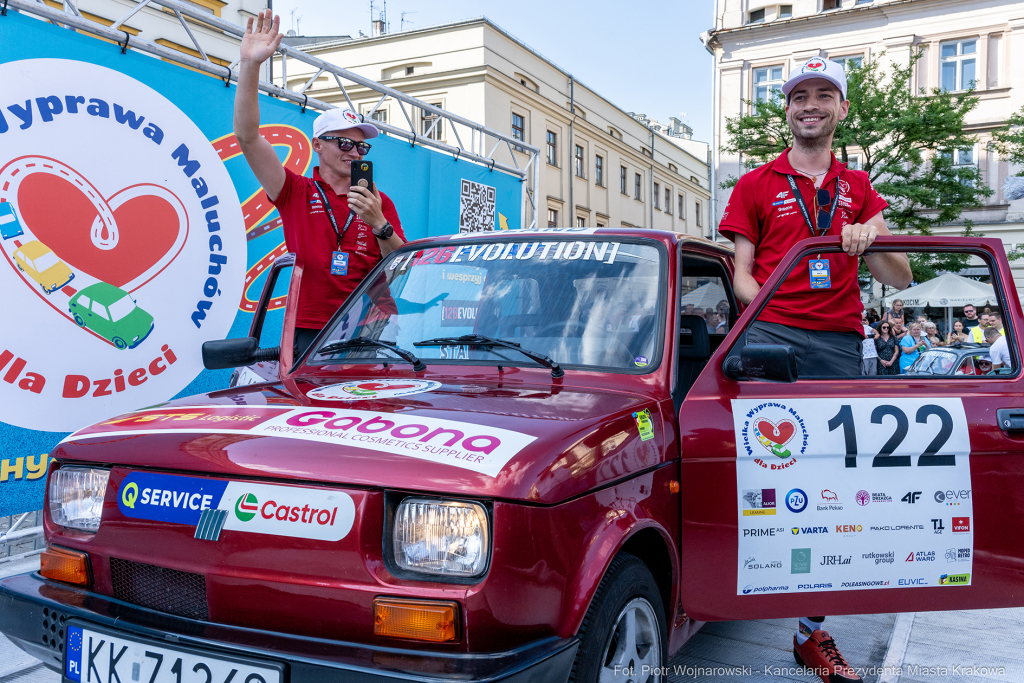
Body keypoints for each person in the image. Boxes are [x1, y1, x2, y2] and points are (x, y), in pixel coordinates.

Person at [719, 57, 912, 683]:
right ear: (787, 109)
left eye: (824, 94)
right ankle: (728, 593)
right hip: (770, 336)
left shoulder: (859, 188)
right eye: (800, 95)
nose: (811, 105)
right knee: (759, 473)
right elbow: (740, 274)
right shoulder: (754, 183)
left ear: (841, 109)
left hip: (837, 345)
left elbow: (900, 278)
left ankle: (809, 631)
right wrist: (768, 318)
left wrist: (870, 238)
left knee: (836, 488)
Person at [233, 10, 406, 357]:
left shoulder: (378, 200)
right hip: (312, 327)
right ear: (318, 145)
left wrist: (379, 224)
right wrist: (250, 65)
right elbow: (248, 137)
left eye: (361, 146)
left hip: (372, 326)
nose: (354, 152)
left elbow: (400, 268)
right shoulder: (296, 191)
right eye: (344, 143)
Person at [861, 309, 878, 375]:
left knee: (873, 373)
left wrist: (877, 334)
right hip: (864, 355)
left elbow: (875, 331)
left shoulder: (868, 327)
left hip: (873, 354)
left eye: (865, 320)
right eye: (862, 320)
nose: (864, 321)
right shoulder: (860, 327)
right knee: (864, 374)